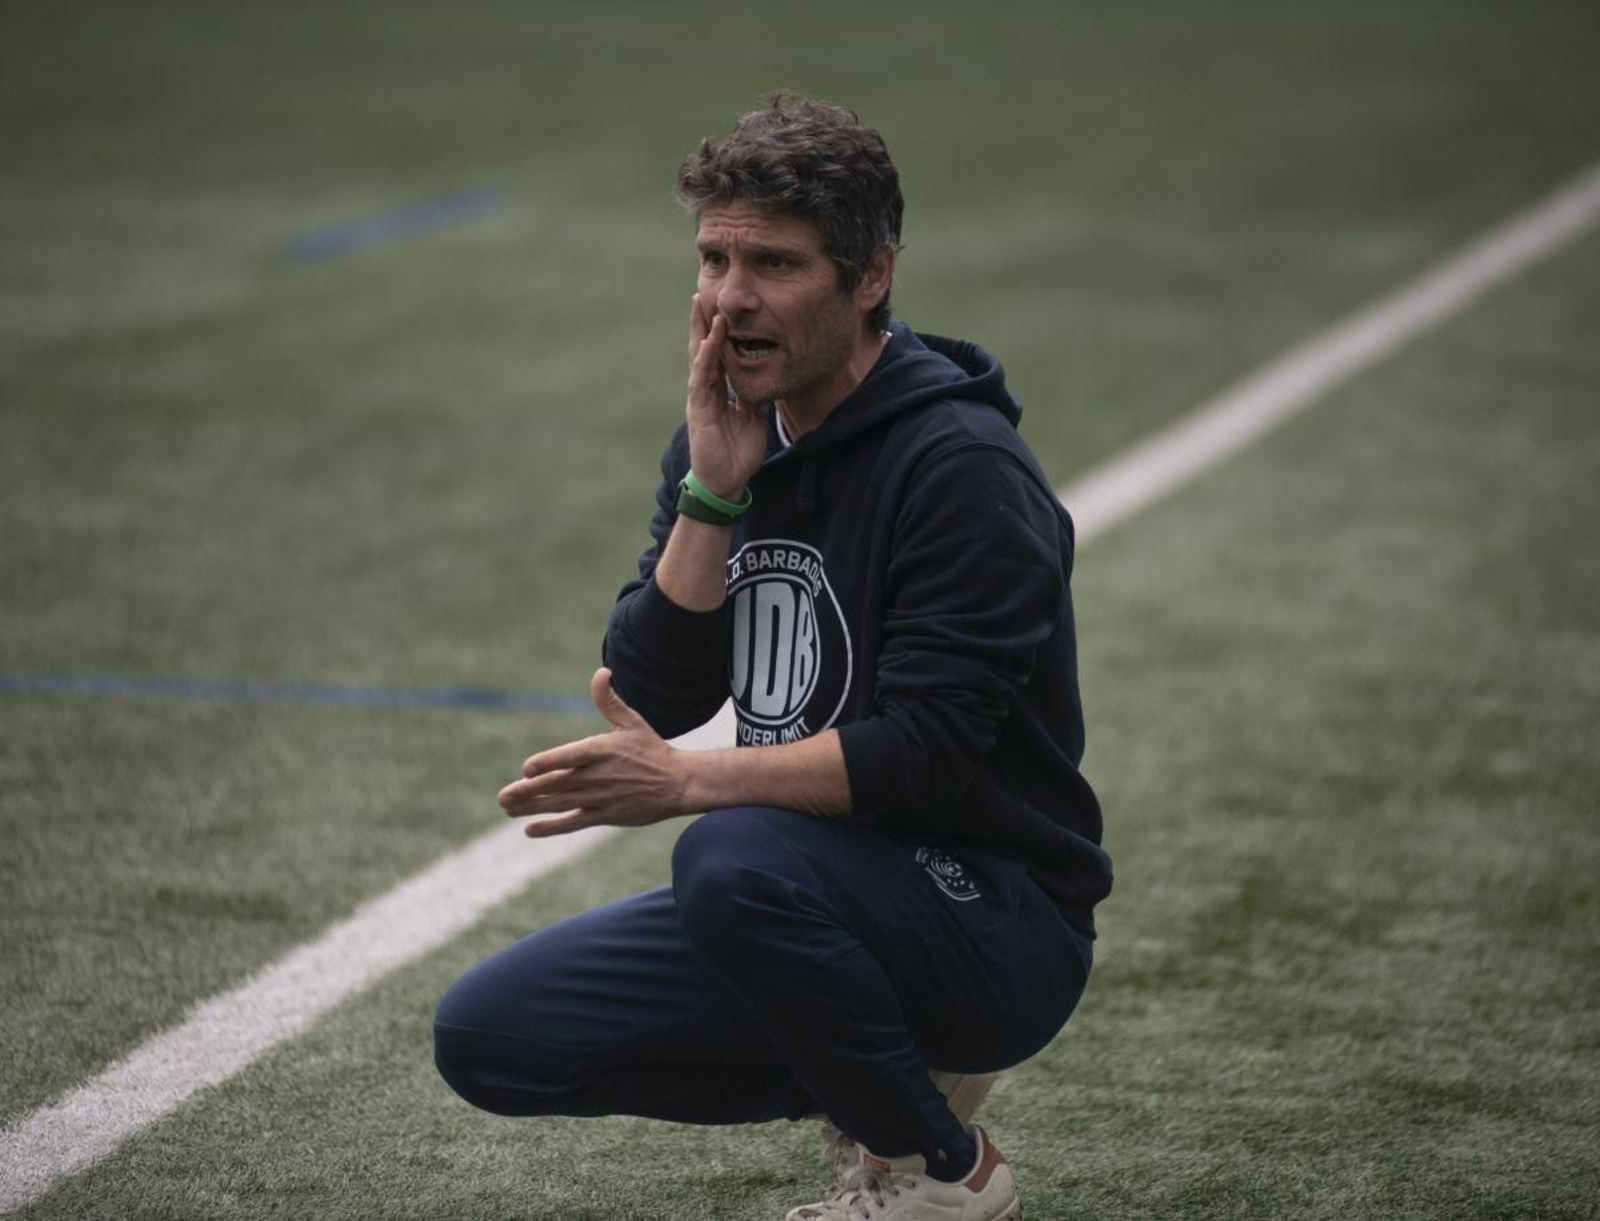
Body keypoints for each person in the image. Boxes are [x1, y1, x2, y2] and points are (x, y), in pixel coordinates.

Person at [434, 91, 1113, 1221]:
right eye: (714, 259)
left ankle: (939, 1172)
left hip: (991, 913)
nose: (729, 299)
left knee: (728, 851)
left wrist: (691, 781)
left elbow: (929, 756)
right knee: (491, 1038)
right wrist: (713, 489)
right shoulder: (725, 438)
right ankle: (866, 1068)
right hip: (808, 896)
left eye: (775, 265)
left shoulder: (962, 470)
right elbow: (653, 686)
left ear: (870, 278)